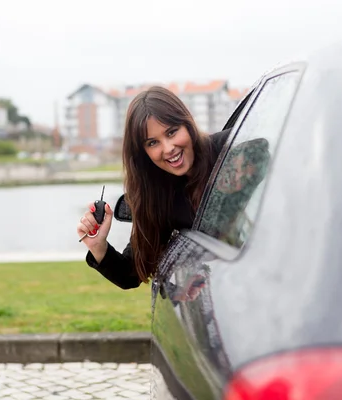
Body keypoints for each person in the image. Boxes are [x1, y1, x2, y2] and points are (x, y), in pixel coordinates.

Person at [76, 86, 232, 290]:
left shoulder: (233, 148)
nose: (168, 149)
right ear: (143, 153)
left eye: (172, 132)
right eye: (152, 143)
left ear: (188, 124)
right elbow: (130, 274)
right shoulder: (159, 198)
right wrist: (98, 246)